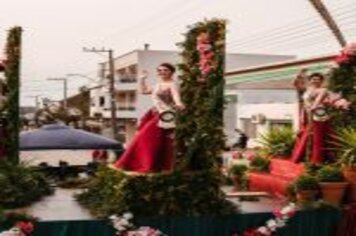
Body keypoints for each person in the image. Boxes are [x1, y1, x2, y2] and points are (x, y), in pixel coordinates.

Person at [114, 63, 184, 173]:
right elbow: (143, 91)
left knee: (146, 137)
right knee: (155, 139)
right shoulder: (157, 85)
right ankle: (149, 165)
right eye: (160, 70)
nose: (162, 72)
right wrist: (142, 79)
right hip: (155, 113)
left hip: (165, 114)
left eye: (165, 70)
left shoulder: (173, 84)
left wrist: (179, 103)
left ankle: (148, 164)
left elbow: (176, 95)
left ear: (171, 72)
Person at [291, 70, 349, 164]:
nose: (316, 81)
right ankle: (308, 157)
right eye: (314, 79)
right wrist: (299, 75)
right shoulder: (307, 89)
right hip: (307, 114)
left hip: (318, 113)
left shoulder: (323, 90)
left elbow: (318, 100)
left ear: (321, 81)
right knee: (307, 135)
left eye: (318, 79)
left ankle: (317, 160)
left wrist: (313, 108)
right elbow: (296, 85)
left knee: (318, 136)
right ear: (310, 80)